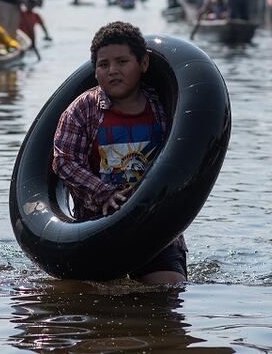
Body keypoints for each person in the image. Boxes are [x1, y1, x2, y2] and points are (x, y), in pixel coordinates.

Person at [52, 22, 186, 285]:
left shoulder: (163, 106)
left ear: (143, 64)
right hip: (98, 228)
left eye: (122, 62)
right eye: (104, 65)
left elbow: (183, 156)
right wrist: (104, 193)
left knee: (168, 289)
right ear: (95, 71)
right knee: (96, 296)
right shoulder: (82, 110)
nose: (113, 70)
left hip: (155, 228)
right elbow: (64, 161)